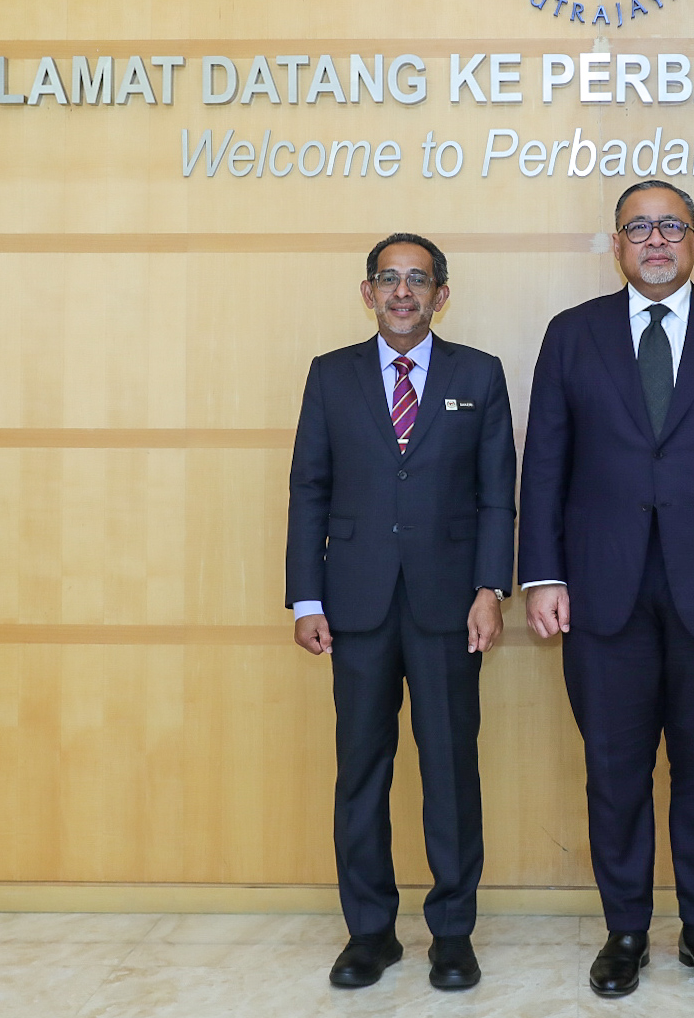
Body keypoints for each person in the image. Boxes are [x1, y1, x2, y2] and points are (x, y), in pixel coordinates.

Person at [520, 180, 694, 998]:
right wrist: (542, 575)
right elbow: (545, 466)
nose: (655, 240)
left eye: (670, 227)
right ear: (615, 244)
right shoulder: (572, 335)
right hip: (600, 589)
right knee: (614, 771)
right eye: (638, 227)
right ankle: (625, 931)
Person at [286, 232, 516, 991]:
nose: (403, 292)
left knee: (450, 769)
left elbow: (497, 495)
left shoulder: (479, 374)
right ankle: (370, 933)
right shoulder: (331, 375)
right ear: (368, 292)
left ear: (441, 295)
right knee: (361, 770)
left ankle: (452, 933)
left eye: (419, 279)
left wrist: (490, 589)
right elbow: (309, 489)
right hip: (354, 604)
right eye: (389, 279)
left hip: (450, 605)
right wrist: (307, 598)